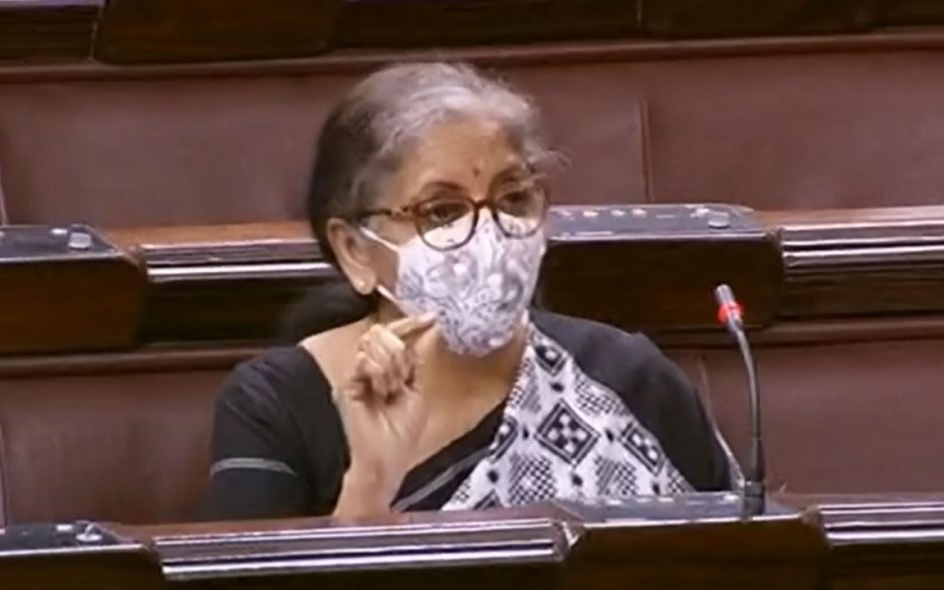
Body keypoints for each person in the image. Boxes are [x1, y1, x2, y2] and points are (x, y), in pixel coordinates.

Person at [202, 62, 735, 521]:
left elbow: (737, 559)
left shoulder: (628, 378)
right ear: (355, 251)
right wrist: (370, 485)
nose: (488, 235)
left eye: (513, 198)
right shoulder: (275, 406)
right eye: (442, 211)